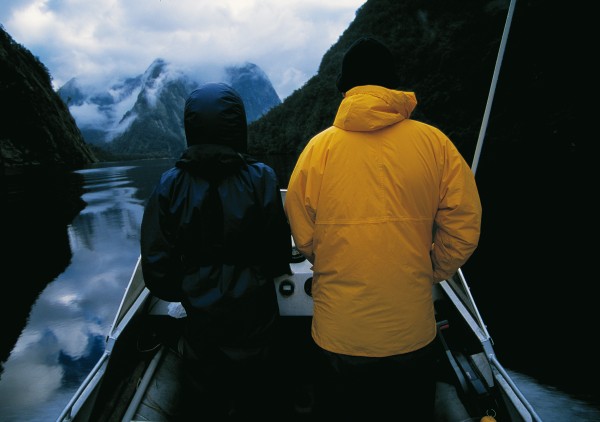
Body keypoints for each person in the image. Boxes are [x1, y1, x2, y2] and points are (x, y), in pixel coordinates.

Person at [284, 36, 482, 421]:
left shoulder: (317, 151)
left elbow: (304, 235)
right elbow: (463, 228)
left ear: (345, 88)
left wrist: (333, 261)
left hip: (339, 336)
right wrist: (430, 269)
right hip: (411, 335)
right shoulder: (435, 144)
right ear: (393, 84)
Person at [140, 82, 292, 419]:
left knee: (208, 401)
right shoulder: (262, 177)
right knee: (259, 396)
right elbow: (277, 249)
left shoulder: (169, 184)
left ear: (191, 125)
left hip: (201, 323)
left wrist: (187, 289)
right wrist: (259, 274)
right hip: (255, 318)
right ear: (237, 125)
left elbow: (156, 264)